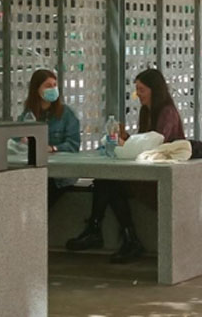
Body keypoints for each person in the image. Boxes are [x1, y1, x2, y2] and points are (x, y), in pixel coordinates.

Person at [66, 68, 185, 263]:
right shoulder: (146, 111)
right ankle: (114, 234)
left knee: (110, 184)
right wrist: (125, 139)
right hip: (147, 171)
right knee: (104, 181)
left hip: (162, 176)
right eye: (137, 89)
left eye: (142, 89)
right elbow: (142, 141)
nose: (138, 94)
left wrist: (130, 144)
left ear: (154, 89)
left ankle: (112, 234)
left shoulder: (167, 112)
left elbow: (155, 142)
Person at [18, 69, 80, 208]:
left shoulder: (66, 114)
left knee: (42, 192)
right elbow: (17, 138)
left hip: (60, 175)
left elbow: (73, 144)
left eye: (54, 85)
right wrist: (22, 141)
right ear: (37, 89)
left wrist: (53, 148)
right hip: (34, 170)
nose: (53, 89)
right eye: (48, 86)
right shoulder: (28, 114)